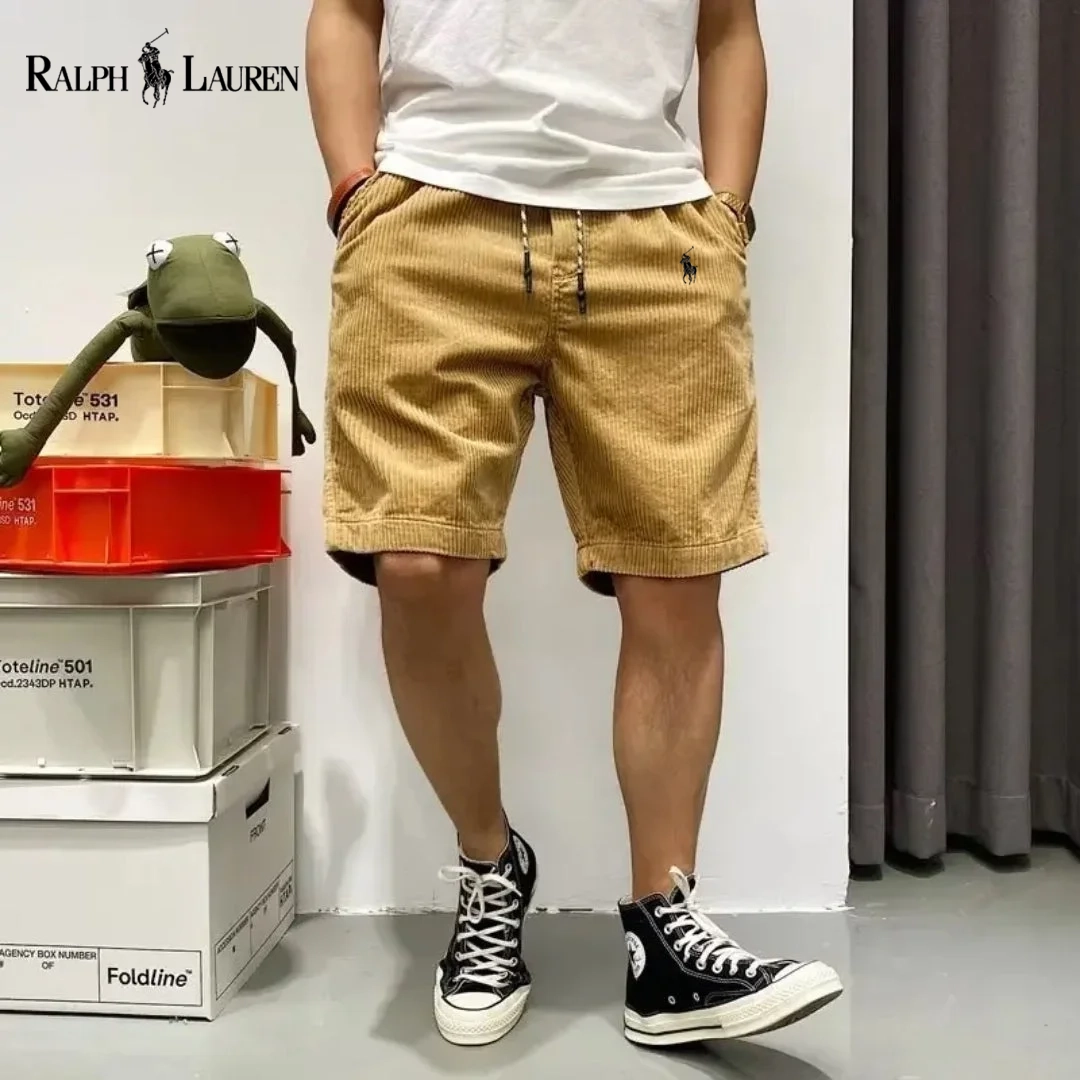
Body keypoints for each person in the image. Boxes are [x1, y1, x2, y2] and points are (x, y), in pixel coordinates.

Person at [305, 0, 844, 1049]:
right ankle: (489, 865)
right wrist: (355, 193)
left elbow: (728, 27)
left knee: (677, 574)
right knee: (416, 562)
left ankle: (664, 934)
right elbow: (346, 11)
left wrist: (727, 214)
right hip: (429, 221)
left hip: (656, 230)